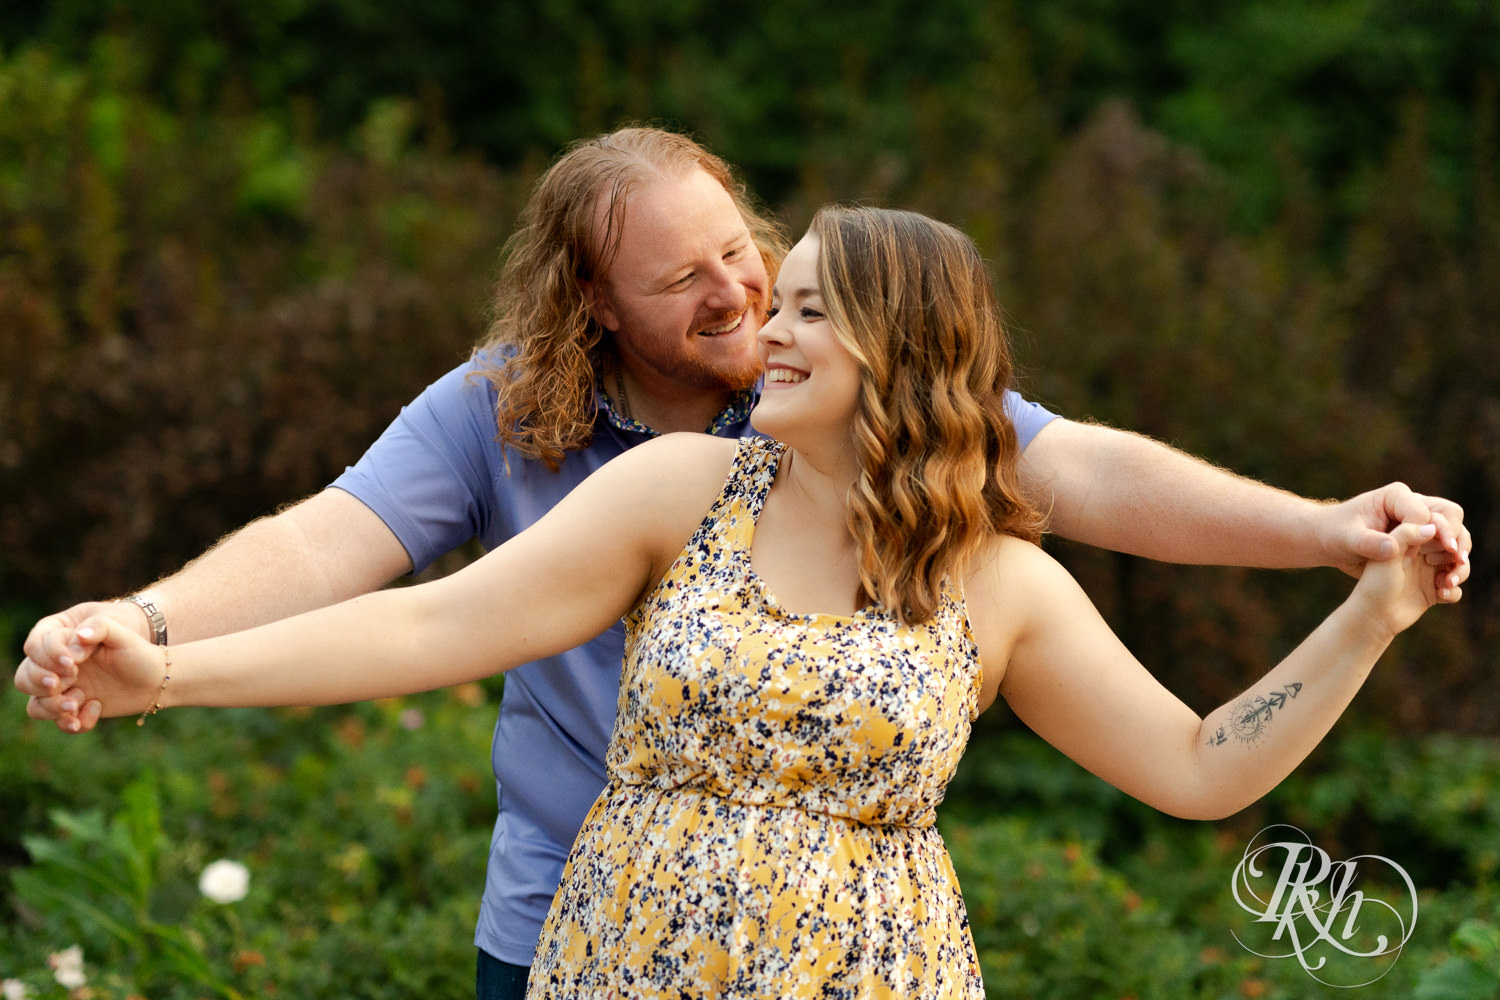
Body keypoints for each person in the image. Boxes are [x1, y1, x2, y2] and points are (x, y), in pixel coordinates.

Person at [16, 128, 1470, 999]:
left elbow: (1203, 762)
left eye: (793, 298)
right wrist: (164, 663)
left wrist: (1361, 588)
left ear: (899, 356)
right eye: (698, 286)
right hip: (607, 955)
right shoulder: (676, 489)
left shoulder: (999, 575)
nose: (756, 315)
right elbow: (419, 621)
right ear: (596, 300)